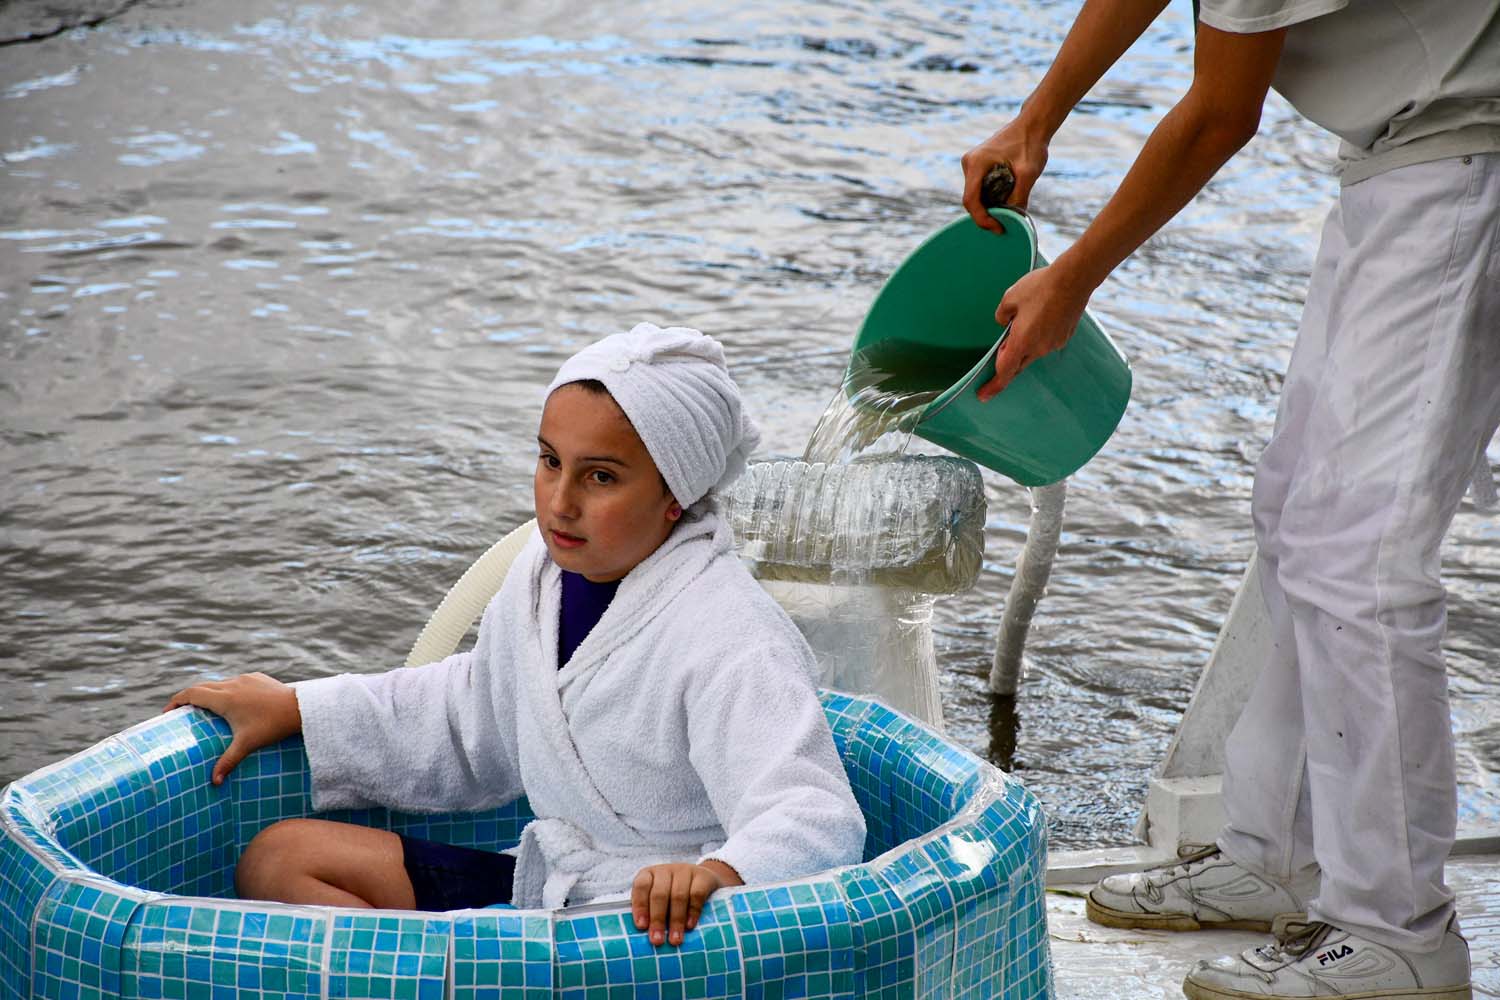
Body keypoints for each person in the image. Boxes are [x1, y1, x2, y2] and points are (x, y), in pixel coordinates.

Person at [959, 1, 1498, 998]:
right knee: (1295, 516)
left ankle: (1399, 932)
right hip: (1405, 151)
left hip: (1469, 153)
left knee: (1356, 557)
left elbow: (1220, 112)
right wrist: (1038, 118)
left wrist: (1073, 279)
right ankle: (1277, 854)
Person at [165, 322, 866, 948]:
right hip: (555, 898)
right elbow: (471, 709)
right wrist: (298, 708)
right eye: (549, 460)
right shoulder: (541, 575)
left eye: (601, 476)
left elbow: (814, 811)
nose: (560, 502)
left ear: (675, 493)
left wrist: (717, 874)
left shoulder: (730, 634)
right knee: (280, 858)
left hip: (660, 934)